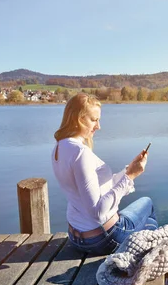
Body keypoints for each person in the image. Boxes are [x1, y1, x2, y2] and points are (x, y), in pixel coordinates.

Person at [52, 93, 158, 255]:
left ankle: (148, 245)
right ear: (77, 118)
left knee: (148, 225)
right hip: (102, 239)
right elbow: (98, 213)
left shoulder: (59, 148)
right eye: (94, 120)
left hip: (77, 237)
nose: (98, 126)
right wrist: (130, 177)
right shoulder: (80, 153)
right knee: (147, 204)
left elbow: (98, 188)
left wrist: (128, 170)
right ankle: (151, 256)